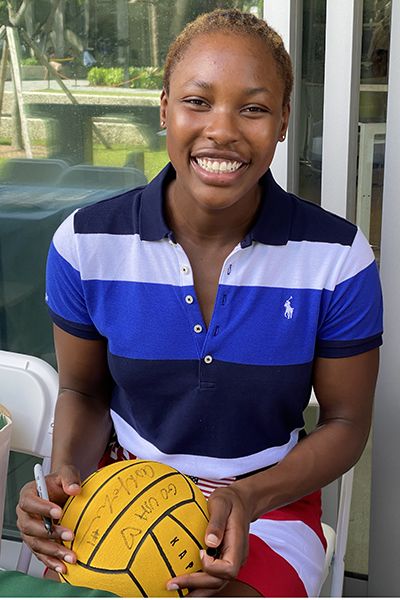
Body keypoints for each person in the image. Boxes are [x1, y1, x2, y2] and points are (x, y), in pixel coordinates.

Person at [16, 9, 383, 598]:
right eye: (198, 101)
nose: (223, 130)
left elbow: (345, 423)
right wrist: (67, 482)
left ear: (284, 121)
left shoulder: (337, 259)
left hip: (271, 505)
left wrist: (248, 496)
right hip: (125, 488)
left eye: (254, 108)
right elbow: (83, 391)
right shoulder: (87, 243)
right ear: (164, 108)